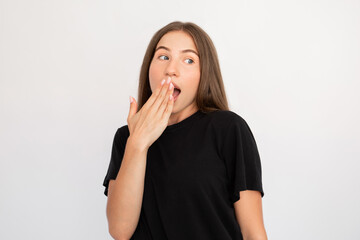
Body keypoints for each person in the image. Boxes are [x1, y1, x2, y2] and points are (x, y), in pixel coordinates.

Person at [102, 21, 267, 240]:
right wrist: (138, 143)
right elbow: (120, 230)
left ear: (204, 74)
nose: (171, 69)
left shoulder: (228, 129)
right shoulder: (126, 138)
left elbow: (253, 232)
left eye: (189, 60)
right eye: (163, 56)